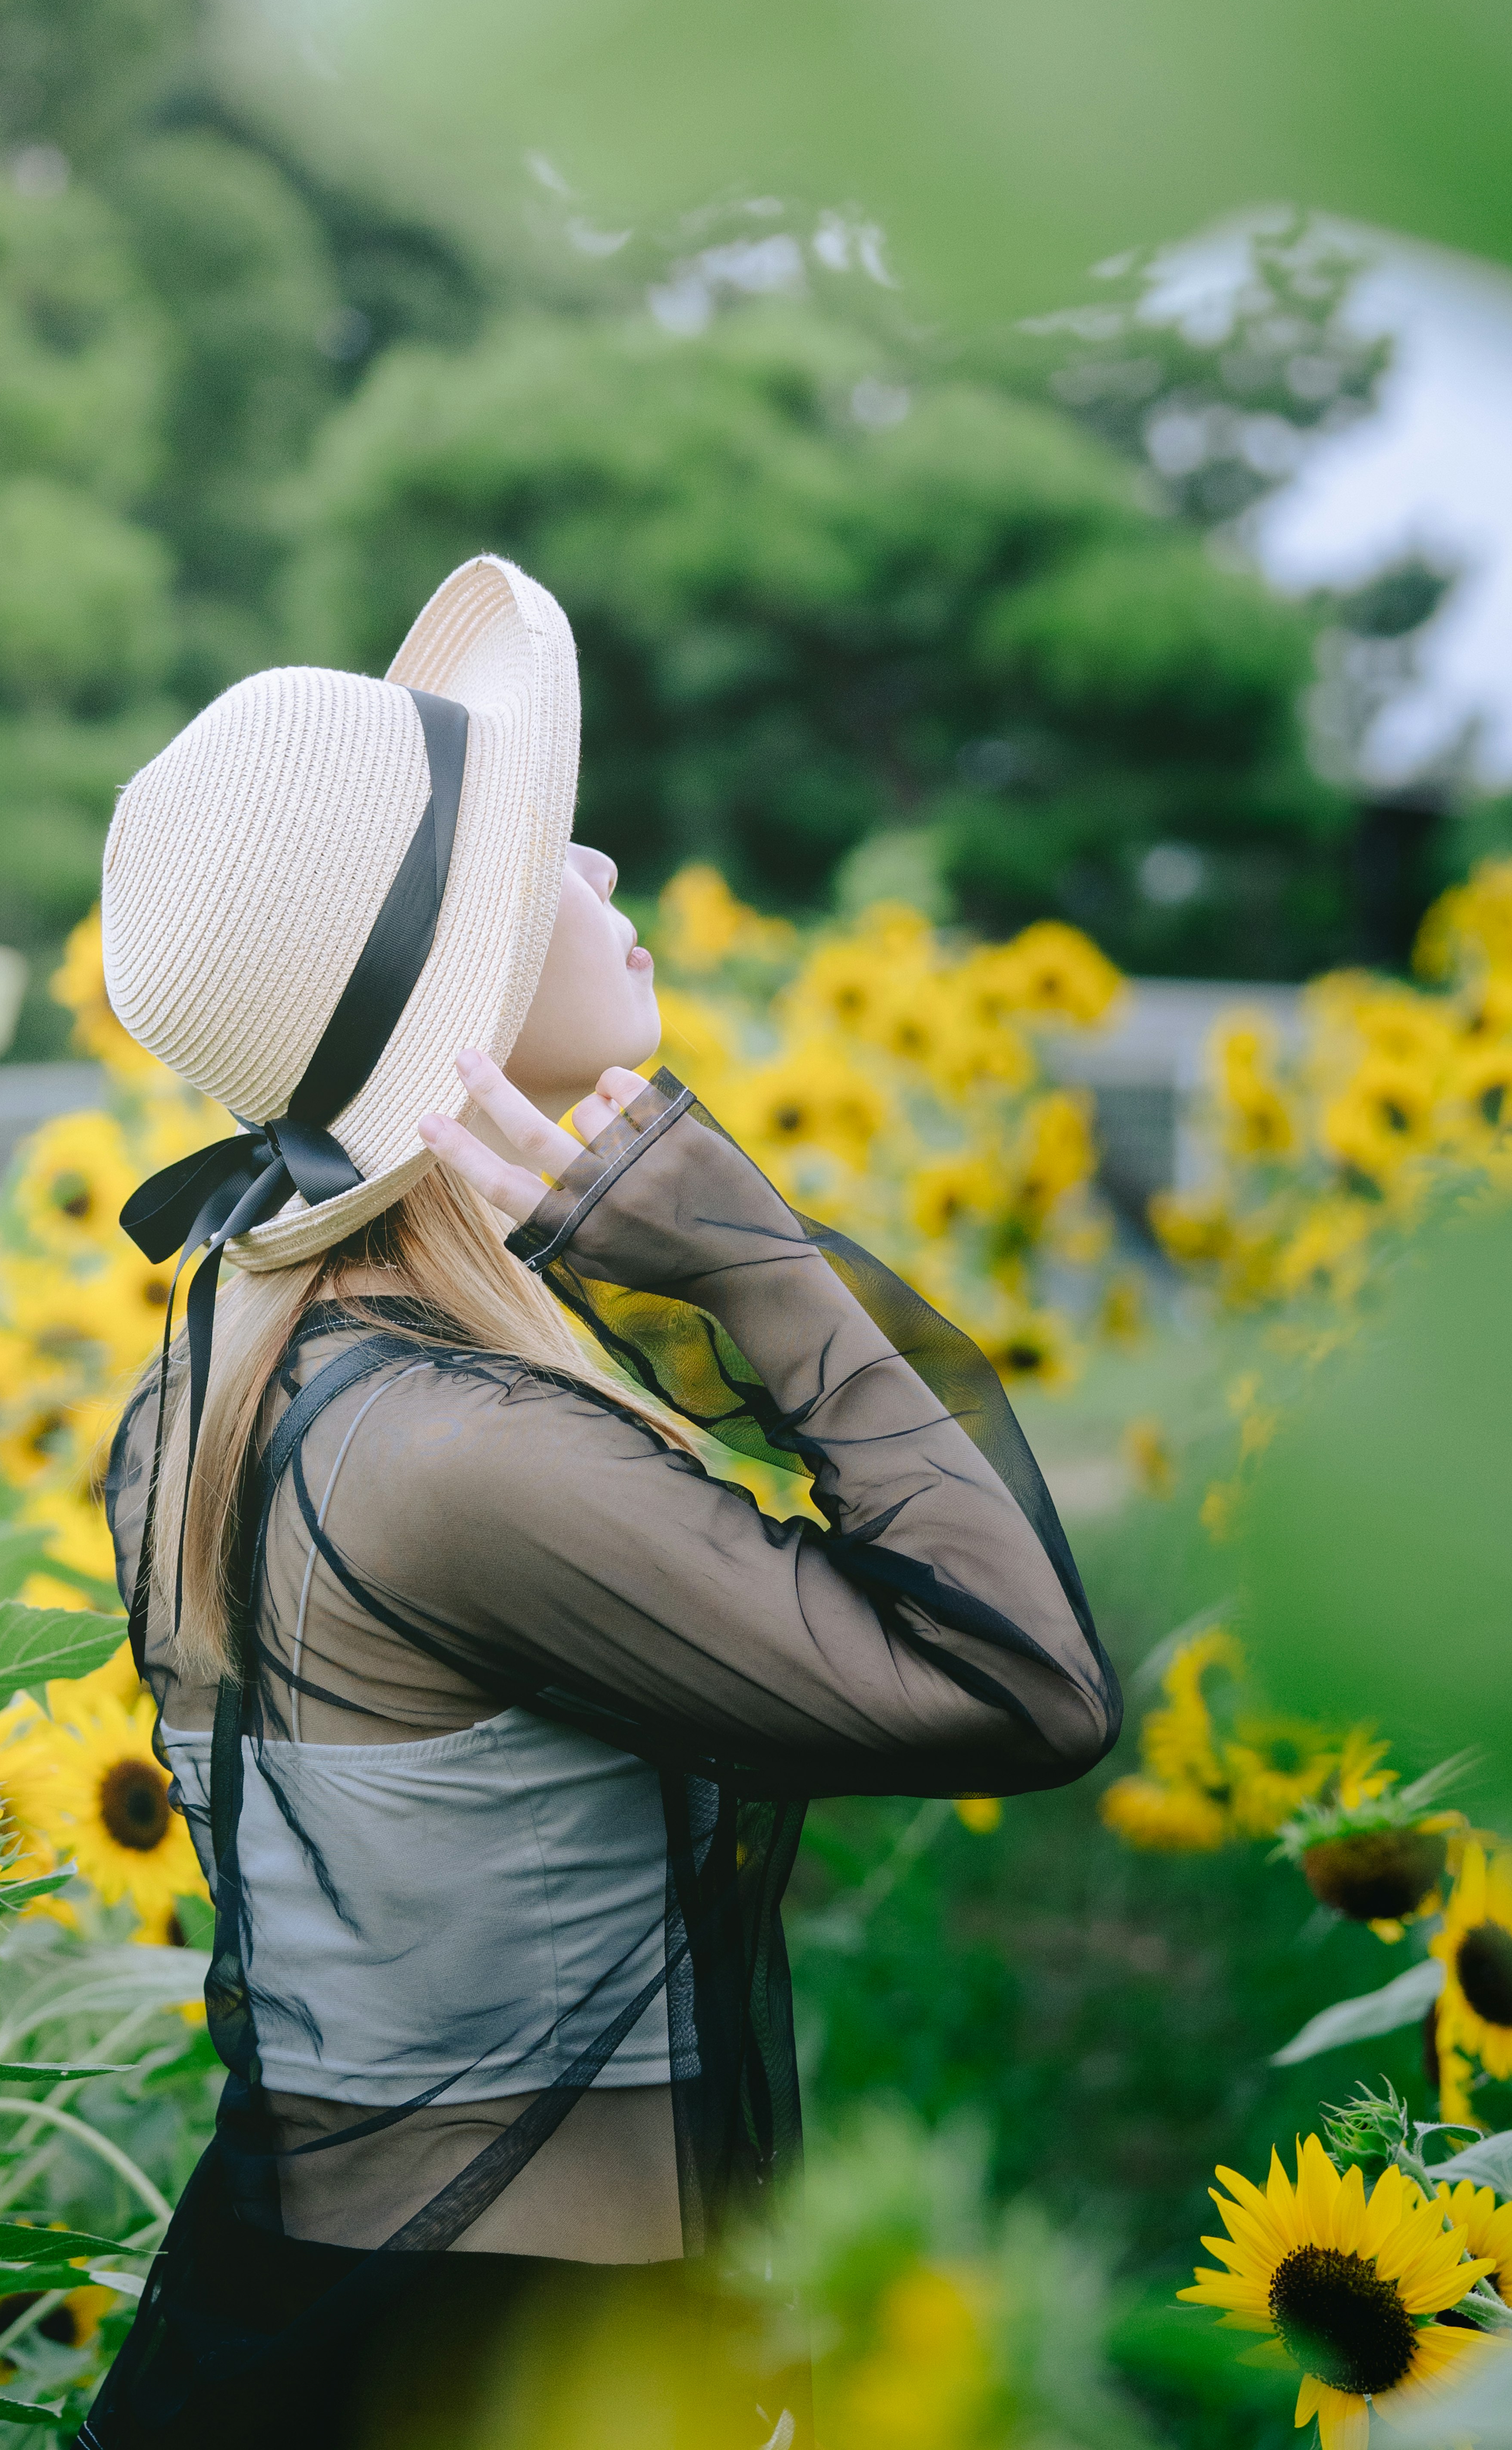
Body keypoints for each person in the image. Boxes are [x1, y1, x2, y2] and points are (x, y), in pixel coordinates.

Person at [80, 555, 1121, 2450]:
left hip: (338, 2334)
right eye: (547, 848)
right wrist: (761, 1272)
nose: (612, 873)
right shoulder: (454, 1450)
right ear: (451, 993)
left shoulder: (240, 1376)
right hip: (496, 2382)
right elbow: (1028, 1685)